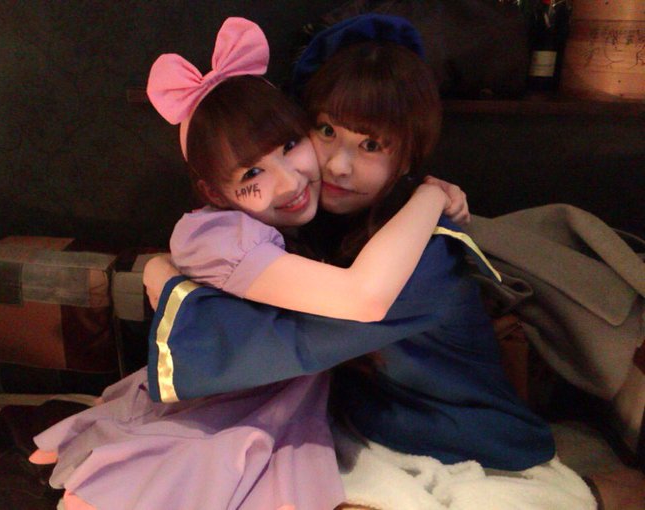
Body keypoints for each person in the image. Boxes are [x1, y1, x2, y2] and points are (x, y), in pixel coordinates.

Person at [143, 14, 606, 510]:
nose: (337, 165)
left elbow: (272, 338)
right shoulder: (316, 221)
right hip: (370, 422)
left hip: (463, 438)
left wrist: (162, 278)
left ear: (405, 159)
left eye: (370, 145)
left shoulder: (420, 258)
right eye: (325, 130)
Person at [27, 17, 467, 510]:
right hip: (250, 400)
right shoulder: (236, 232)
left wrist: (161, 270)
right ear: (215, 192)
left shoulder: (379, 241)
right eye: (253, 172)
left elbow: (341, 303)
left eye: (291, 146)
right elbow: (340, 305)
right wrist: (430, 194)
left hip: (357, 414)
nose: (295, 179)